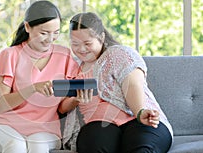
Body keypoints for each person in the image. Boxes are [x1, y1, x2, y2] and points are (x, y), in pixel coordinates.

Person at [64, 12, 173, 153]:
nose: (81, 49)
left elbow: (133, 84)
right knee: (94, 146)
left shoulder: (117, 54)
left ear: (101, 37)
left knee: (142, 149)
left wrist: (140, 112)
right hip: (98, 126)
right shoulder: (72, 68)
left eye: (87, 43)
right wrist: (75, 99)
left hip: (138, 119)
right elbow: (62, 106)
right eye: (75, 44)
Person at [0, 0, 79, 153]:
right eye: (44, 33)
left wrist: (76, 99)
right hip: (5, 125)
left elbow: (61, 107)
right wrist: (33, 88)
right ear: (27, 27)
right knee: (16, 145)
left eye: (56, 32)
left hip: (46, 128)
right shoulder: (10, 55)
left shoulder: (65, 56)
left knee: (38, 145)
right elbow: (0, 106)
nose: (50, 39)